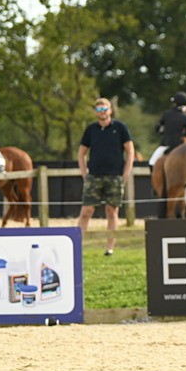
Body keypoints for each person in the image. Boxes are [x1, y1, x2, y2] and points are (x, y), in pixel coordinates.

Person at [78, 98, 134, 256]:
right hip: (94, 176)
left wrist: (125, 173)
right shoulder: (91, 129)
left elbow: (130, 151)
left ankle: (110, 248)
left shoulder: (120, 128)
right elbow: (81, 153)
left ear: (110, 110)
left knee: (112, 211)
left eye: (105, 109)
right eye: (99, 110)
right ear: (96, 112)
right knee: (86, 211)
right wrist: (85, 173)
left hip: (115, 176)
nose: (102, 113)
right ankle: (78, 246)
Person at [148, 92, 186, 169]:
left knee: (152, 163)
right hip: (180, 147)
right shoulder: (185, 117)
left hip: (166, 145)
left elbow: (157, 128)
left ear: (175, 103)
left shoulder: (167, 114)